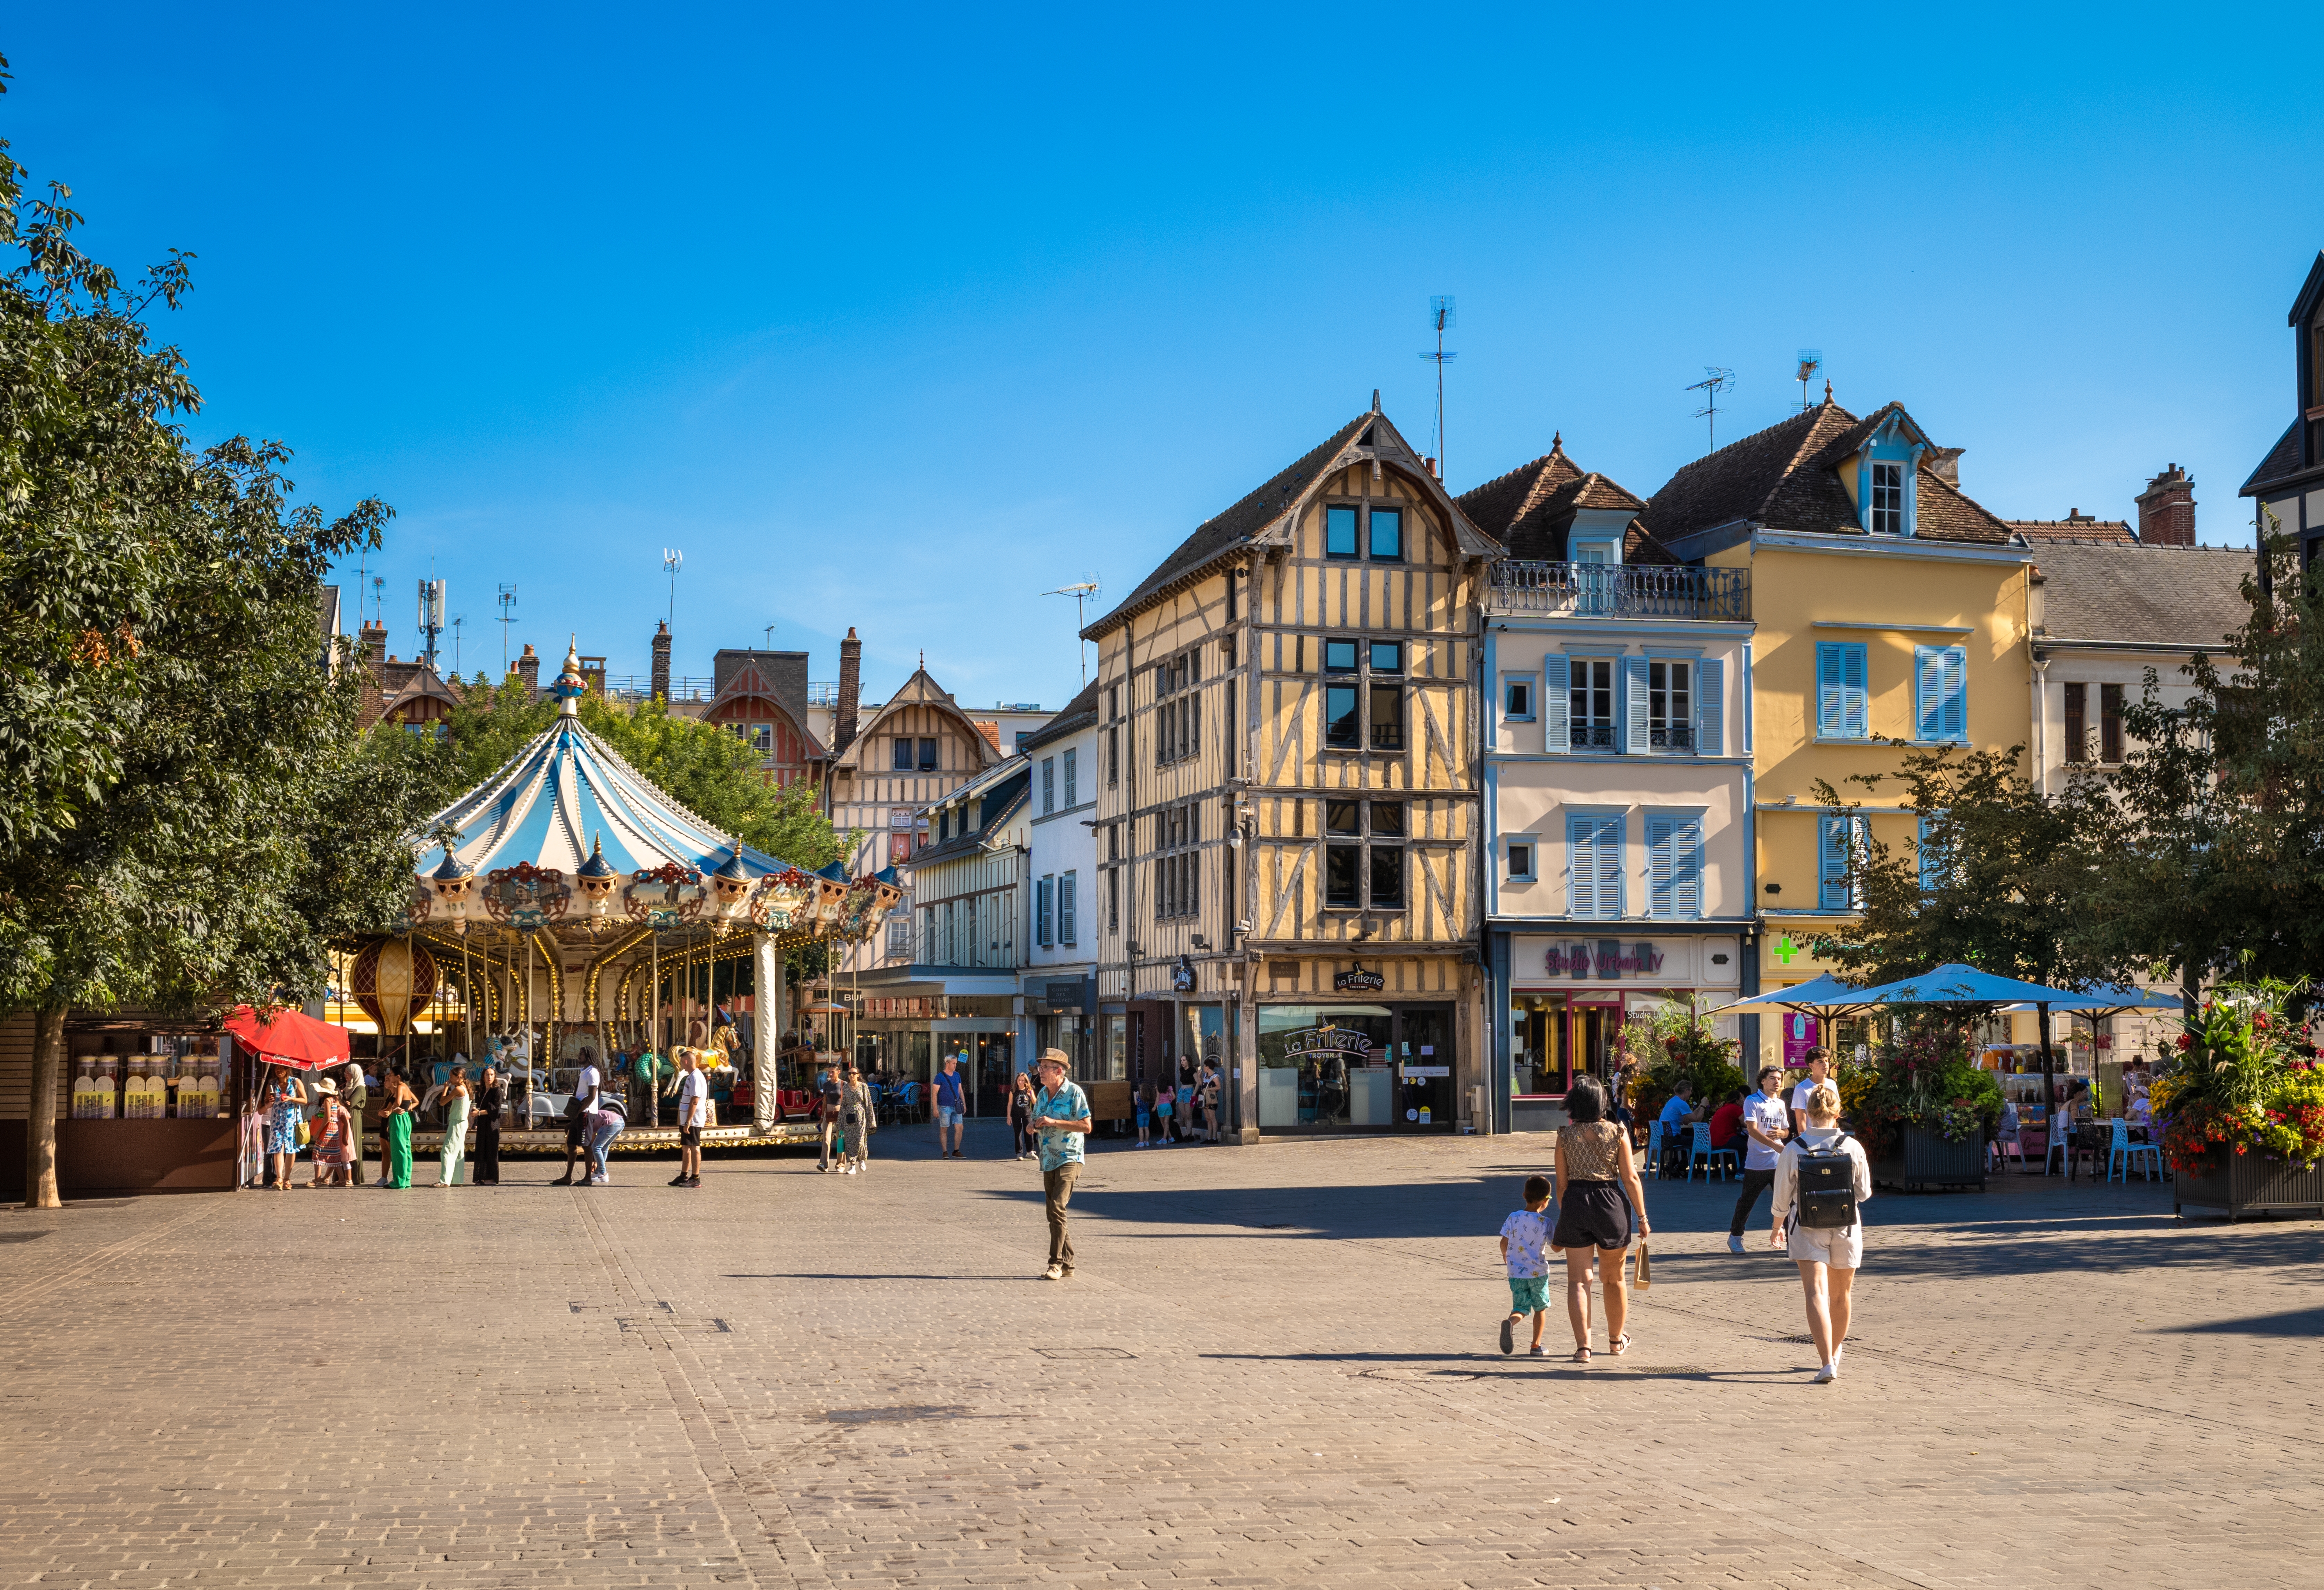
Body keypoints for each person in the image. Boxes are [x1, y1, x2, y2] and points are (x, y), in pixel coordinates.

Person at [1770, 1078, 1872, 1384]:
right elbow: (1864, 1192)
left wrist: (1777, 1227)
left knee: (1815, 1291)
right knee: (1841, 1294)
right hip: (1845, 1225)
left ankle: (1826, 1361)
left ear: (1807, 1112)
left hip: (1806, 1224)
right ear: (1838, 1112)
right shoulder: (1852, 1147)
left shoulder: (1794, 1148)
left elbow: (1781, 1198)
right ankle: (1836, 1351)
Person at [1551, 1074, 1650, 1363]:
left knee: (1578, 1281)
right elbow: (1630, 1178)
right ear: (1601, 1102)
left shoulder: (1564, 1136)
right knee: (1613, 1278)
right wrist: (1642, 1217)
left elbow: (1560, 1184)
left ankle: (1583, 1348)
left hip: (1576, 1202)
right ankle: (1616, 1341)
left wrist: (1566, 1211)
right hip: (1609, 1204)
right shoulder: (1618, 1132)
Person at [1031, 1049, 1090, 1280]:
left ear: (1059, 1071)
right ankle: (1069, 1264)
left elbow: (1087, 1126)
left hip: (1070, 1157)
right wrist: (1032, 1126)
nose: (1040, 1071)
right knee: (1054, 1213)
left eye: (1045, 1068)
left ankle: (1055, 1264)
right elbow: (1037, 1119)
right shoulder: (1044, 1094)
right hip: (1048, 1159)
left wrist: (1054, 1121)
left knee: (1057, 1207)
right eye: (1040, 1067)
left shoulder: (1074, 1093)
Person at [1727, 1065, 1792, 1253]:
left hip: (1779, 1162)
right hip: (1757, 1163)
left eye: (1779, 1079)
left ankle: (1791, 1241)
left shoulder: (1780, 1104)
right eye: (1772, 1078)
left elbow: (1786, 1130)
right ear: (1763, 1081)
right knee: (1748, 1201)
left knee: (1786, 1201)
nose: (1777, 1082)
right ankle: (1736, 1236)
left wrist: (1782, 1133)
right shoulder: (1752, 1101)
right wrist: (1775, 1145)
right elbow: (1753, 1130)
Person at [1497, 1174, 1555, 1357]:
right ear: (1546, 1201)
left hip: (1515, 1273)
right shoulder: (1546, 1223)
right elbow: (1557, 1248)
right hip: (1538, 1273)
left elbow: (1503, 1242)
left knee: (1521, 1308)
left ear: (1524, 1195)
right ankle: (1536, 1346)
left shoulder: (1513, 1217)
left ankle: (1511, 1323)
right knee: (1540, 1308)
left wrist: (1506, 1256)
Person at [554, 1049, 603, 1187]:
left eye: (581, 1054)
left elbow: (592, 1096)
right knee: (571, 1144)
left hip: (586, 1112)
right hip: (580, 1112)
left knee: (586, 1145)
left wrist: (579, 1111)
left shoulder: (593, 1072)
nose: (578, 1056)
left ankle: (588, 1177)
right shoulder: (585, 1071)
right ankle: (568, 1176)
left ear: (588, 1056)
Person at [264, 1065, 307, 1193]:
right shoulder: (272, 1084)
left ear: (287, 1069)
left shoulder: (295, 1082)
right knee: (278, 1147)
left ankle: (287, 1178)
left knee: (291, 1148)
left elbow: (305, 1100)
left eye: (281, 1068)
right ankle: (279, 1178)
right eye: (276, 1069)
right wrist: (270, 1100)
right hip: (277, 1120)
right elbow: (267, 1102)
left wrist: (292, 1099)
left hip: (292, 1120)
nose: (278, 1071)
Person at [672, 1047, 710, 1188]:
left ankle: (696, 1178)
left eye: (682, 1062)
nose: (681, 1065)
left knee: (694, 1147)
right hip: (687, 1119)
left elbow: (695, 1100)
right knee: (686, 1147)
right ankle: (684, 1175)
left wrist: (688, 1121)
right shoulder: (692, 1076)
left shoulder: (696, 1077)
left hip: (693, 1119)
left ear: (687, 1061)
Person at [307, 1076, 352, 1188]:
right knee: (334, 1156)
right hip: (334, 1130)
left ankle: (318, 1180)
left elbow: (327, 1118)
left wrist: (318, 1132)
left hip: (327, 1130)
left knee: (317, 1153)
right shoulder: (334, 1100)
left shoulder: (327, 1100)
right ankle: (342, 1179)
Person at [379, 1068, 418, 1190]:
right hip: (406, 1119)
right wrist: (407, 1109)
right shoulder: (406, 1087)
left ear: (399, 1076)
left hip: (398, 1119)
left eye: (391, 1075)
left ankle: (399, 1181)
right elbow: (414, 1101)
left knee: (398, 1150)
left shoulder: (401, 1087)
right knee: (406, 1149)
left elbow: (398, 1102)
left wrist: (391, 1110)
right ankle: (406, 1179)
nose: (390, 1077)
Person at [436, 1064, 473, 1187]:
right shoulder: (466, 1088)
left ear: (459, 1077)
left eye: (452, 1077)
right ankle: (457, 1180)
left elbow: (442, 1102)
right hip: (462, 1122)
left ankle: (445, 1181)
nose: (450, 1079)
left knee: (447, 1151)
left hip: (457, 1121)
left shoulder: (459, 1089)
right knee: (458, 1152)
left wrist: (446, 1088)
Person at [1656, 1078, 1701, 1177]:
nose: (1691, 1093)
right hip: (1672, 1138)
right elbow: (1697, 1120)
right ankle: (1680, 1167)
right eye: (1691, 1090)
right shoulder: (1682, 1103)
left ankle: (1671, 1165)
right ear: (1686, 1090)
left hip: (1664, 1138)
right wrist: (1704, 1106)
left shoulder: (1673, 1101)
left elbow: (1686, 1121)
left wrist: (1699, 1108)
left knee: (1688, 1142)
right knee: (1699, 1143)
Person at [583, 1086, 626, 1185]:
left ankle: (603, 1173)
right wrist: (595, 1163)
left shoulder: (587, 1120)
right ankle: (598, 1172)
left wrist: (594, 1162)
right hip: (620, 1122)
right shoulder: (592, 1115)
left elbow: (593, 1142)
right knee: (604, 1148)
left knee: (596, 1147)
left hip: (611, 1123)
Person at [839, 1063, 875, 1175]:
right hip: (849, 1116)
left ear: (858, 1075)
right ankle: (852, 1166)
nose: (852, 1076)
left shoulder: (864, 1087)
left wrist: (871, 1121)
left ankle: (862, 1159)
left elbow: (869, 1104)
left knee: (860, 1139)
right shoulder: (845, 1088)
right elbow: (843, 1105)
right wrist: (840, 1121)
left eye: (854, 1073)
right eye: (850, 1074)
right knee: (849, 1141)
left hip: (861, 1115)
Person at [1789, 1050, 1834, 1137]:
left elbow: (1834, 1115)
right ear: (1811, 1066)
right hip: (1812, 1138)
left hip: (1829, 1137)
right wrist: (1806, 1145)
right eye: (1820, 1062)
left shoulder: (1832, 1085)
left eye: (1827, 1061)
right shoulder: (1801, 1088)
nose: (1825, 1064)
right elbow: (1801, 1121)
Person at [933, 1054, 968, 1159]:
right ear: (947, 1064)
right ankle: (945, 1152)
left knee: (960, 1127)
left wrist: (964, 1104)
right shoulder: (940, 1077)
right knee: (944, 1128)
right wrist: (935, 1108)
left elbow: (960, 1090)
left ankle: (956, 1150)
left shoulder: (957, 1075)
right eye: (953, 1063)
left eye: (956, 1063)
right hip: (944, 1106)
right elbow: (934, 1093)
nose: (955, 1065)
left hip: (956, 1106)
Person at [474, 1066, 504, 1186]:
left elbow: (496, 1110)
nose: (490, 1077)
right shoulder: (481, 1091)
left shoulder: (497, 1090)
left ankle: (492, 1178)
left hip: (492, 1124)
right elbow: (480, 1107)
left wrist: (480, 1113)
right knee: (481, 1150)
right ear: (483, 1076)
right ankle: (481, 1177)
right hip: (482, 1124)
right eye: (487, 1074)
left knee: (491, 1151)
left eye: (492, 1075)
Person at [342, 1060, 369, 1185]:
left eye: (348, 1073)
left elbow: (351, 1104)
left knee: (353, 1145)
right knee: (345, 1145)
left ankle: (354, 1177)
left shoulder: (360, 1088)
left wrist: (343, 1101)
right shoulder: (348, 1088)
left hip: (354, 1117)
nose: (346, 1075)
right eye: (345, 1073)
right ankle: (343, 1176)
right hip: (346, 1117)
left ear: (355, 1074)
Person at [816, 1062, 845, 1172]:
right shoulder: (826, 1085)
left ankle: (841, 1165)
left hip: (840, 1114)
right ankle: (824, 1164)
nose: (831, 1074)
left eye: (833, 1072)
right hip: (828, 1113)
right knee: (826, 1139)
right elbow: (825, 1101)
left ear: (839, 1072)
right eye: (829, 1072)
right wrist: (822, 1116)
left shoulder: (843, 1084)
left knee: (841, 1140)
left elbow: (845, 1101)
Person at [1007, 1071, 1039, 1161]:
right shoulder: (1013, 1091)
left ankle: (1030, 1151)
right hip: (1016, 1115)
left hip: (1027, 1115)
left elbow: (1035, 1102)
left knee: (1029, 1132)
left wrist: (1031, 1095)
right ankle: (1019, 1153)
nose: (1020, 1082)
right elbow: (1010, 1104)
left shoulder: (1029, 1090)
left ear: (1025, 1081)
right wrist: (1009, 1116)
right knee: (1018, 1134)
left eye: (1022, 1080)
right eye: (1019, 1080)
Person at [1709, 1089, 1746, 1156]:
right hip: (1724, 1140)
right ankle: (1744, 1167)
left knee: (1743, 1140)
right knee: (1751, 1147)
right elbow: (1747, 1124)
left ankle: (1738, 1165)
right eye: (1742, 1098)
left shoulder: (1723, 1108)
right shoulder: (1736, 1108)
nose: (1744, 1100)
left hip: (1713, 1142)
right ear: (1737, 1101)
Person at [1200, 1063, 1222, 1142]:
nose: (1203, 1068)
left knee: (1213, 1118)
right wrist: (1200, 1077)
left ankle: (1215, 1138)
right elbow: (1201, 1085)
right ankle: (1209, 1137)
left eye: (1204, 1066)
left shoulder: (1215, 1076)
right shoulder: (1206, 1076)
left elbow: (1218, 1087)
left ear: (1208, 1067)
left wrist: (1209, 1089)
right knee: (1208, 1119)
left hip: (1212, 1099)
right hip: (1205, 1099)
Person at [1175, 1065, 1197, 1145]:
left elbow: (1198, 1082)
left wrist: (1194, 1094)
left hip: (1189, 1090)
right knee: (1184, 1115)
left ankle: (1188, 1134)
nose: (1182, 1062)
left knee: (1188, 1115)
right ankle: (1190, 1134)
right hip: (1182, 1091)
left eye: (1184, 1060)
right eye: (1181, 1061)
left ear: (1188, 1061)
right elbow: (1182, 1080)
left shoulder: (1192, 1070)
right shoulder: (1181, 1070)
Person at [1153, 1076, 1175, 1145]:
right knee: (1167, 1123)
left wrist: (1155, 1106)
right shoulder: (1169, 1088)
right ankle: (1171, 1138)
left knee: (1163, 1124)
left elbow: (1158, 1097)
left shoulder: (1158, 1088)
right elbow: (1174, 1096)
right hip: (1168, 1106)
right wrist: (1170, 1100)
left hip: (1161, 1106)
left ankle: (1164, 1139)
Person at [1135, 1081, 1154, 1148]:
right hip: (1147, 1114)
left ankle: (1141, 1142)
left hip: (1140, 1115)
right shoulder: (1148, 1098)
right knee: (1146, 1128)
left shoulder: (1140, 1098)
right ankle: (1147, 1142)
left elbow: (1136, 1103)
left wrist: (1135, 1096)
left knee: (1141, 1129)